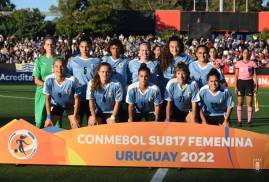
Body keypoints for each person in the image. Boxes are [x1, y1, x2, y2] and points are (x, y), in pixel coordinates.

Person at [67, 36, 101, 126]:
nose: (84, 49)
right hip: (77, 98)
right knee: (76, 125)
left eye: (87, 46)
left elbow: (100, 78)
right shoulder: (72, 61)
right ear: (79, 47)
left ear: (90, 47)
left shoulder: (97, 61)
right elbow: (68, 78)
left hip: (92, 98)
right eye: (82, 46)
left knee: (92, 126)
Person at [43, 57, 80, 129]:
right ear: (53, 68)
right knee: (48, 126)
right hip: (57, 105)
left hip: (70, 106)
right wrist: (48, 117)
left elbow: (77, 99)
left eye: (61, 66)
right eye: (56, 66)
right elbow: (47, 99)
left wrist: (75, 116)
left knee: (76, 125)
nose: (59, 69)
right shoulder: (48, 79)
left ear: (65, 67)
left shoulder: (72, 80)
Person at [32, 36, 59, 128]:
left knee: (56, 124)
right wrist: (47, 85)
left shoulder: (59, 59)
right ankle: (39, 142)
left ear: (55, 45)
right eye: (47, 44)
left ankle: (56, 142)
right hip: (41, 93)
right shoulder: (39, 60)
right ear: (44, 46)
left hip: (56, 94)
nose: (50, 46)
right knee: (39, 122)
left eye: (52, 44)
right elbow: (36, 80)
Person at [234, 48, 258, 127]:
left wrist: (256, 85)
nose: (246, 54)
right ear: (242, 53)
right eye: (244, 52)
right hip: (240, 83)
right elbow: (236, 75)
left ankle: (249, 122)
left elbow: (254, 75)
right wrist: (235, 86)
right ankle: (239, 121)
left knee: (249, 103)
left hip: (249, 83)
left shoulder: (252, 63)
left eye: (247, 52)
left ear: (249, 54)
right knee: (240, 102)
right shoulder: (238, 63)